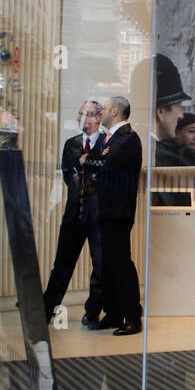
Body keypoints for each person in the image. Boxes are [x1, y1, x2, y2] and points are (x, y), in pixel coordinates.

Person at [41, 100, 106, 328]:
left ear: (99, 117)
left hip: (98, 214)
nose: (83, 119)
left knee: (99, 264)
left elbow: (102, 175)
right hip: (74, 211)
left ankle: (93, 311)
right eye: (80, 114)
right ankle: (46, 309)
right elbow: (72, 176)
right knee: (62, 263)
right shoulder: (72, 144)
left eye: (88, 115)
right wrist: (86, 167)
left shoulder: (108, 143)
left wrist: (86, 166)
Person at [83, 95, 143, 334]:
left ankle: (132, 316)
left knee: (120, 264)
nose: (101, 113)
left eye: (105, 109)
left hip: (117, 211)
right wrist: (94, 161)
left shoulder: (127, 138)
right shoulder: (108, 139)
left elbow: (102, 166)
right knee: (106, 264)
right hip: (103, 210)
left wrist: (93, 161)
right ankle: (114, 312)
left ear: (116, 111)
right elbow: (92, 164)